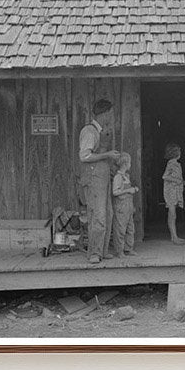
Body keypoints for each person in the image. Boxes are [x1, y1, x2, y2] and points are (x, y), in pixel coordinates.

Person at [77, 98, 120, 263]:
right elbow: (84, 156)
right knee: (98, 216)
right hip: (93, 179)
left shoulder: (101, 131)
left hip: (103, 178)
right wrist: (107, 155)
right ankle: (94, 253)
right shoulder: (89, 131)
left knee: (108, 214)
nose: (111, 116)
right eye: (110, 113)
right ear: (105, 113)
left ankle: (102, 250)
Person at [161, 142, 185, 246]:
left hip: (174, 192)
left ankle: (174, 236)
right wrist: (177, 181)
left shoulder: (176, 164)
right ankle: (174, 237)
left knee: (173, 215)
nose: (180, 153)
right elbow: (165, 176)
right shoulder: (171, 163)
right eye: (179, 151)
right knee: (172, 214)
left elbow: (175, 177)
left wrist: (183, 182)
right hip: (170, 193)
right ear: (175, 153)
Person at [111, 153, 139, 257]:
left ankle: (128, 248)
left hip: (128, 206)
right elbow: (115, 192)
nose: (130, 164)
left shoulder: (126, 176)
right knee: (120, 229)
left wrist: (133, 190)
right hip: (121, 206)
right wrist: (128, 190)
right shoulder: (118, 177)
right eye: (130, 162)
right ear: (125, 164)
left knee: (130, 228)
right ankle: (119, 251)